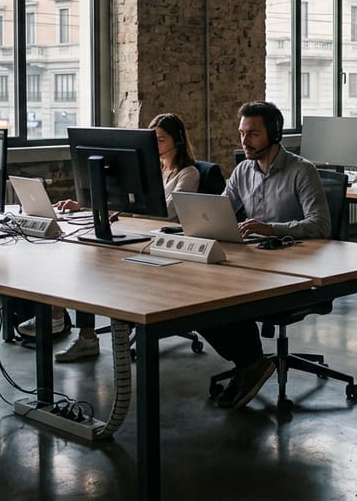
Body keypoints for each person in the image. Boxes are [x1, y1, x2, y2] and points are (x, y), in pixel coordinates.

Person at [37, 113, 203, 361]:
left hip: (160, 243)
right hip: (136, 234)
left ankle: (69, 324)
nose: (156, 146)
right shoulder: (150, 168)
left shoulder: (188, 173)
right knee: (87, 260)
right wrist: (84, 205)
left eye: (161, 140)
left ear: (177, 140)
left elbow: (167, 212)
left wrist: (127, 206)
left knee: (96, 265)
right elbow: (130, 200)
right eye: (153, 140)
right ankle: (76, 329)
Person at [199, 101, 330, 410]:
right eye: (242, 134)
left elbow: (320, 225)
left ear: (275, 134)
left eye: (253, 134)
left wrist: (270, 228)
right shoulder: (243, 170)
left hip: (295, 271)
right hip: (255, 263)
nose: (245, 142)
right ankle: (249, 363)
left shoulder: (302, 171)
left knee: (230, 296)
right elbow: (220, 212)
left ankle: (250, 364)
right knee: (199, 298)